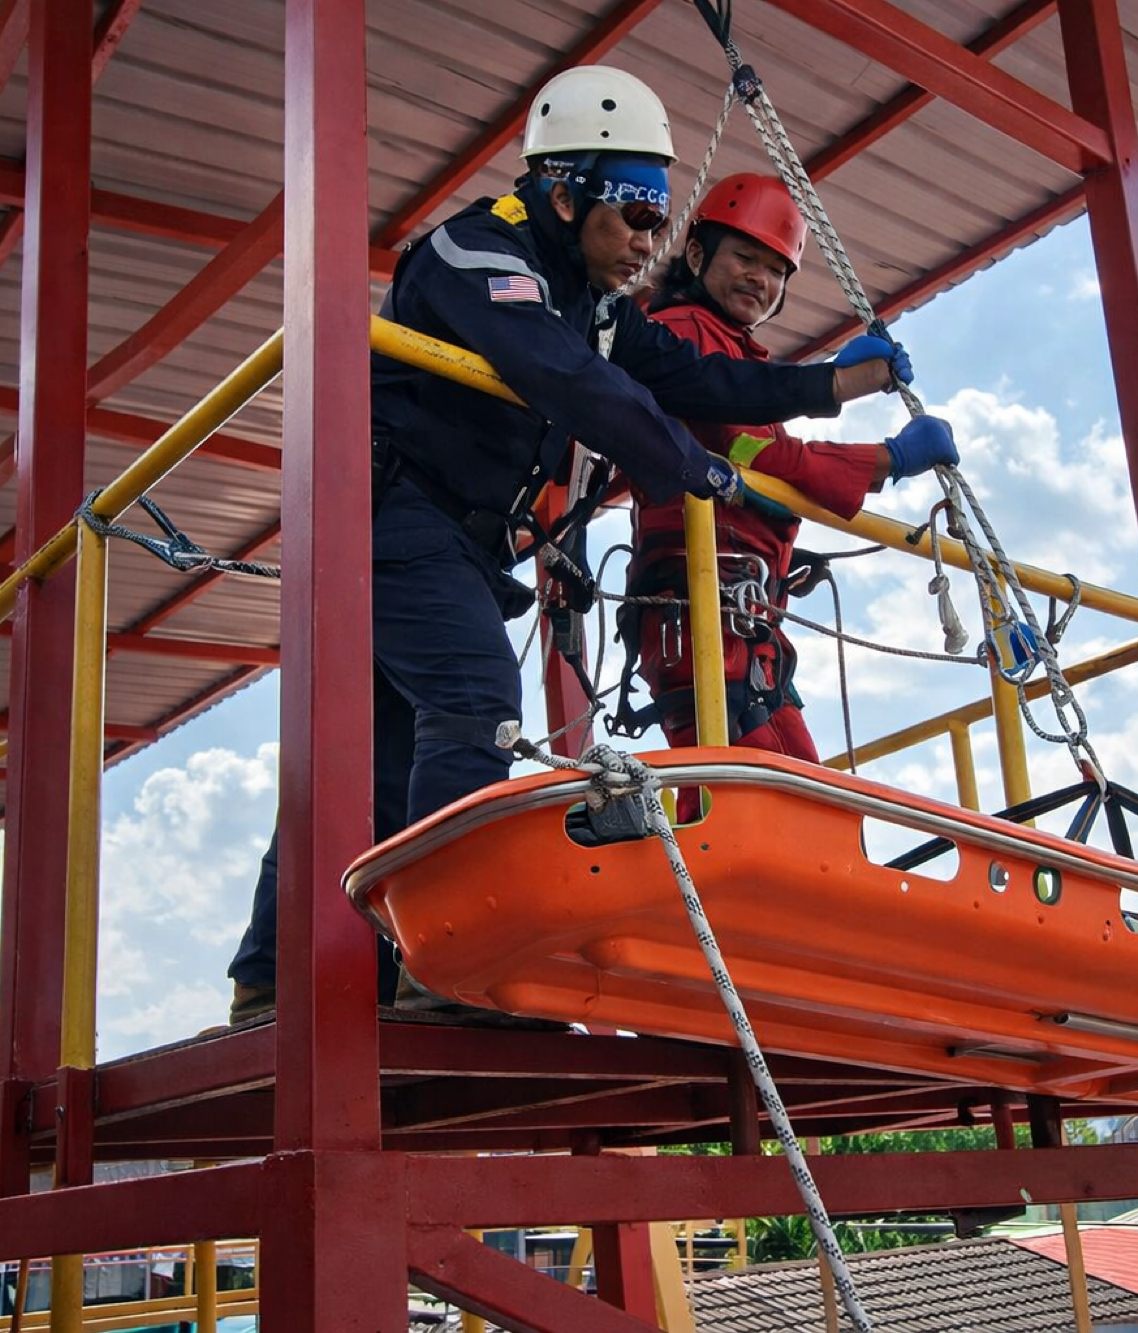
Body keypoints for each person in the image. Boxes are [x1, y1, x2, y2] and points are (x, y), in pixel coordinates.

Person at [226, 68, 912, 1025]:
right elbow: (567, 381)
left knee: (381, 759)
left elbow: (690, 376)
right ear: (563, 192)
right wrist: (696, 469)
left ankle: (273, 983)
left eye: (656, 222)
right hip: (391, 517)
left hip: (457, 543)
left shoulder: (590, 298)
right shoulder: (475, 254)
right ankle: (446, 961)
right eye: (634, 219)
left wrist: (835, 386)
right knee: (474, 704)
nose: (647, 244)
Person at [618, 173, 959, 767]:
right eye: (745, 258)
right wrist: (888, 459)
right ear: (696, 254)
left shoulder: (731, 353)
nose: (760, 278)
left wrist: (779, 538)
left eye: (776, 271)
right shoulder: (680, 335)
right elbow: (754, 457)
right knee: (781, 803)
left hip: (735, 618)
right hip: (709, 615)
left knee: (767, 802)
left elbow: (746, 465)